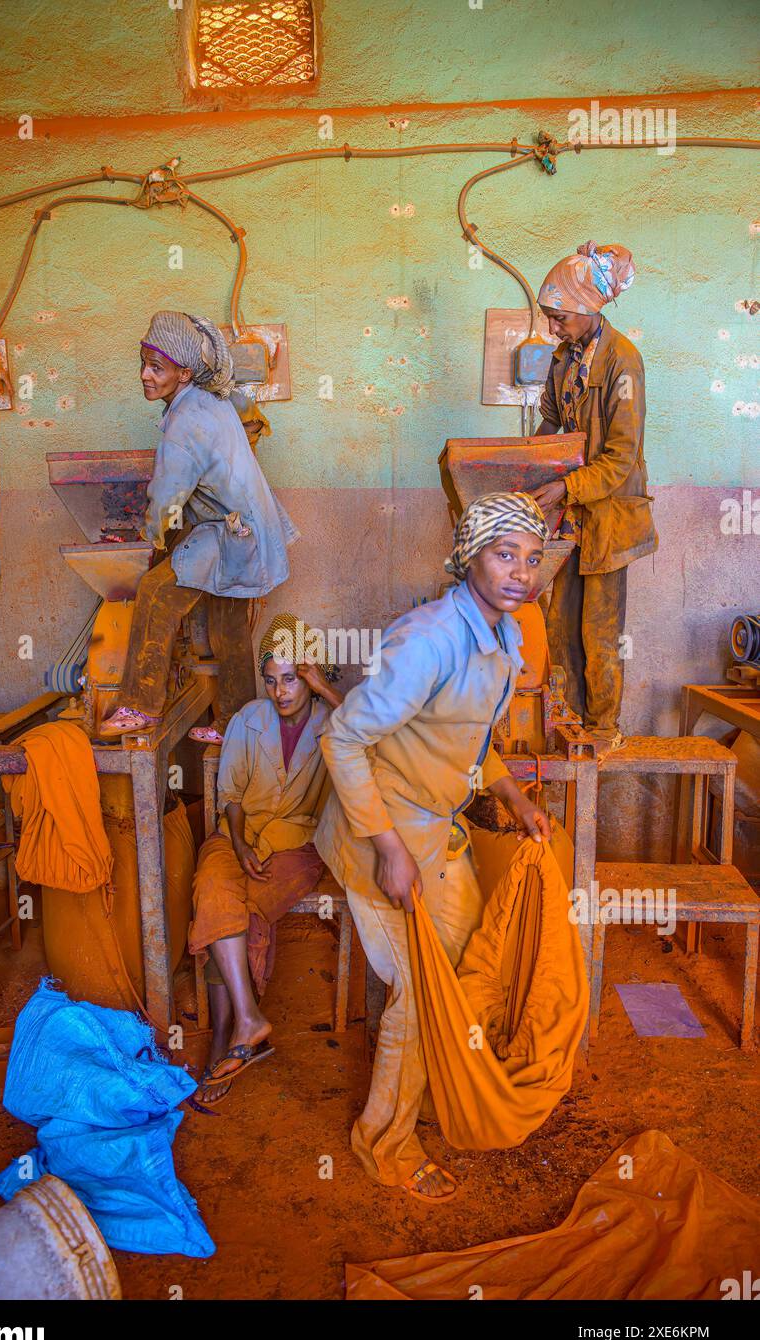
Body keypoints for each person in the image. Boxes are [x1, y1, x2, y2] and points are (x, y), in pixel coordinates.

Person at [315, 493, 552, 1203]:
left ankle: (442, 1083)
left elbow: (472, 743)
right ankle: (384, 1143)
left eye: (532, 559)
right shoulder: (427, 639)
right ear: (468, 557)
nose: (520, 573)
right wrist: (387, 847)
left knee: (475, 962)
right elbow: (342, 738)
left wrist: (510, 797)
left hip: (434, 832)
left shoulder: (502, 634)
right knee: (424, 995)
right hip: (379, 837)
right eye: (504, 555)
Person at [99, 311, 298, 741]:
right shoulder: (211, 398)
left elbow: (168, 496)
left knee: (155, 593)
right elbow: (237, 432)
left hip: (232, 531)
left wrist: (148, 540)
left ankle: (140, 706)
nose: (145, 376)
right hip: (249, 528)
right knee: (228, 624)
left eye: (157, 368)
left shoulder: (186, 422)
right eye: (144, 363)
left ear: (184, 372)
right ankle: (237, 724)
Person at [189, 613, 343, 1103]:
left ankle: (227, 1034)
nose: (280, 692)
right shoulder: (247, 720)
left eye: (293, 679)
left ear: (311, 675)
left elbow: (377, 735)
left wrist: (328, 691)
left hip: (297, 847)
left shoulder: (332, 723)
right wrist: (237, 846)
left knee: (247, 908)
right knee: (215, 889)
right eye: (272, 681)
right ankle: (245, 1025)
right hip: (237, 837)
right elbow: (230, 796)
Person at [529, 241, 657, 749]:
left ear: (587, 309)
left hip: (609, 516)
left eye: (559, 318)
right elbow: (553, 424)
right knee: (559, 625)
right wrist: (526, 462)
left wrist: (564, 486)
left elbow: (621, 459)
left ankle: (603, 730)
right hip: (571, 520)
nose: (553, 329)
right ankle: (567, 722)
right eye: (549, 318)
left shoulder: (623, 361)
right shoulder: (565, 358)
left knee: (598, 632)